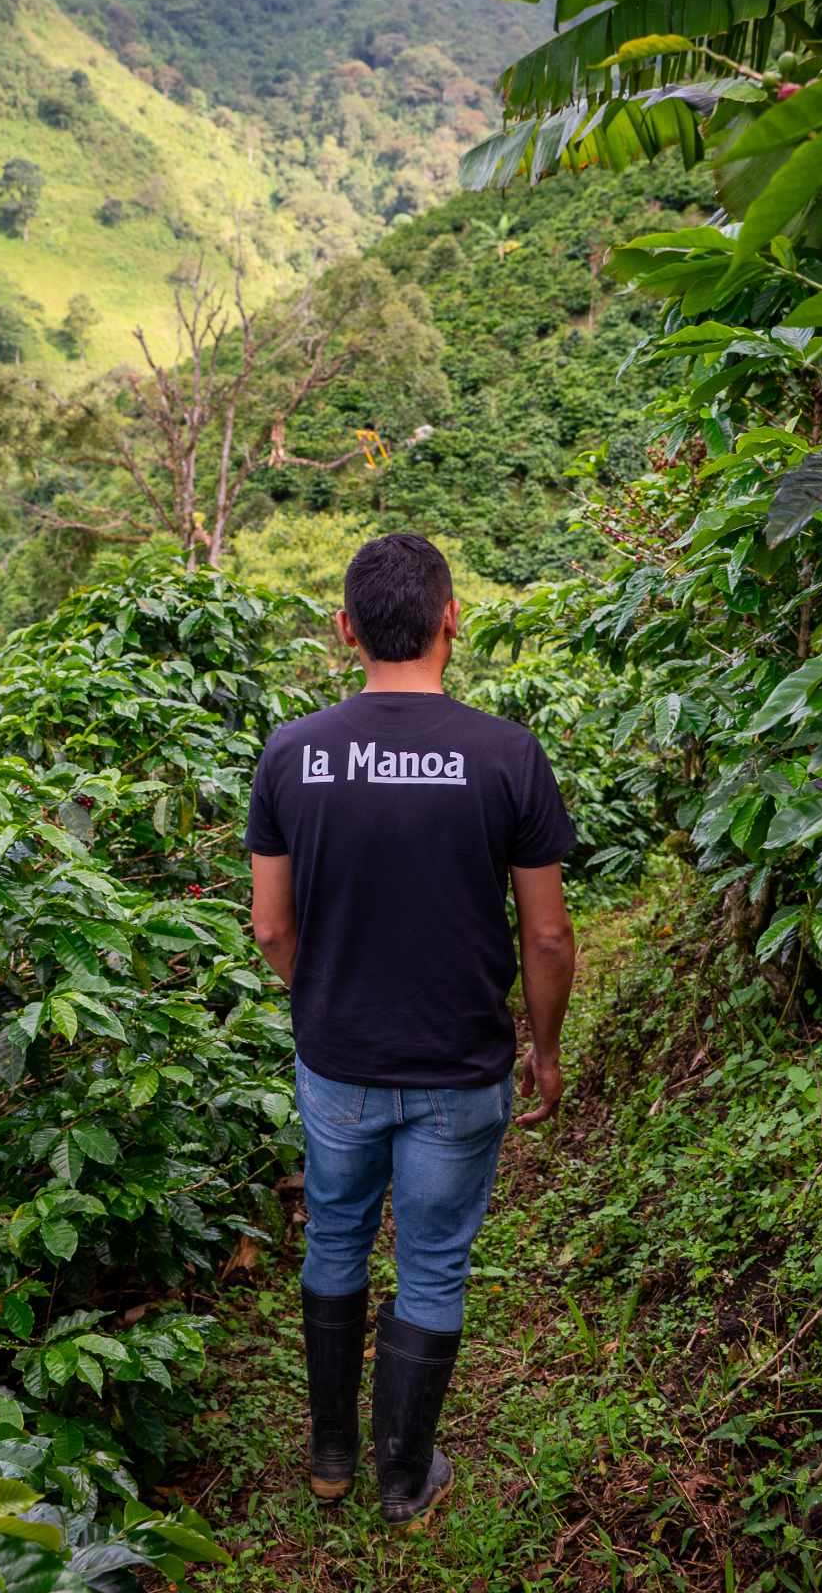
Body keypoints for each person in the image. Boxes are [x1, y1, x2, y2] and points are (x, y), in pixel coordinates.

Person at [245, 532, 577, 1530]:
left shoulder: (291, 751)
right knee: (432, 1258)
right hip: (461, 1066)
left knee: (336, 1237)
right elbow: (549, 933)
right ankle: (404, 1477)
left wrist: (323, 995)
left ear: (346, 629)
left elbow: (268, 921)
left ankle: (332, 1458)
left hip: (337, 1061)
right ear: (451, 619)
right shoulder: (507, 753)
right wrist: (545, 1045)